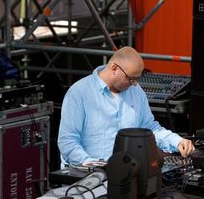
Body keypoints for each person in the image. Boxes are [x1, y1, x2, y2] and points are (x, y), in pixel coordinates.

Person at [58, 46, 195, 168]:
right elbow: (68, 142)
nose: (134, 83)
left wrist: (176, 141)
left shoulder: (136, 91)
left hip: (126, 174)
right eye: (130, 78)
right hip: (88, 180)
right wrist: (94, 167)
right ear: (114, 69)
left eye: (137, 79)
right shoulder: (79, 93)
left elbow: (149, 128)